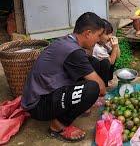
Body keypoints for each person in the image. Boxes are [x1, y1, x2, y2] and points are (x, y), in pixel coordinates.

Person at [21, 12, 107, 142]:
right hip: (38, 105)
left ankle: (75, 104)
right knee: (92, 89)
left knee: (93, 63)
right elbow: (101, 89)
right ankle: (57, 126)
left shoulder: (68, 40)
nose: (99, 39)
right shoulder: (74, 52)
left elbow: (87, 61)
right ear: (88, 33)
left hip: (42, 93)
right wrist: (93, 95)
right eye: (98, 35)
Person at [90, 19, 120, 87]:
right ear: (98, 35)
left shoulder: (104, 42)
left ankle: (109, 79)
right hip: (95, 71)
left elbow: (117, 56)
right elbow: (111, 62)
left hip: (101, 66)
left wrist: (116, 45)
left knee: (112, 54)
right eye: (107, 34)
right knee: (106, 62)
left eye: (111, 33)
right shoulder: (97, 48)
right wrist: (114, 47)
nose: (110, 36)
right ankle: (104, 84)